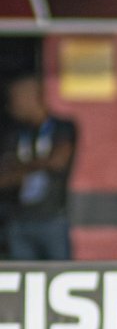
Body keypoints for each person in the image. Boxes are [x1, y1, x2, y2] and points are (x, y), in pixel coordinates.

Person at [0, 75, 77, 260]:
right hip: (19, 219)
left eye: (17, 98)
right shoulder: (14, 134)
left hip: (52, 218)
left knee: (58, 272)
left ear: (35, 97)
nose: (12, 105)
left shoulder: (62, 127)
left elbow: (58, 161)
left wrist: (19, 167)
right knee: (22, 277)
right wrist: (41, 163)